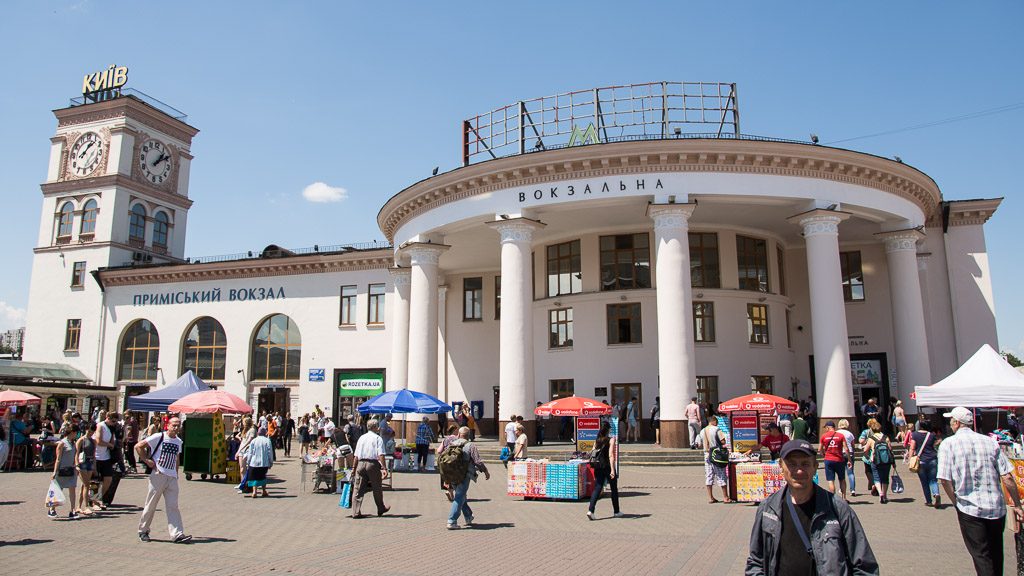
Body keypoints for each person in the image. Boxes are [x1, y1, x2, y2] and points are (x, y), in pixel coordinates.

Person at [746, 439, 879, 575]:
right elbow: (756, 562)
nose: (799, 471)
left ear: (815, 466)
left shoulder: (837, 508)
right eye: (792, 464)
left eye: (805, 464)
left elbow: (865, 566)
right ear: (781, 466)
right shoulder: (768, 508)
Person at [938, 406, 1024, 575]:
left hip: (969, 507)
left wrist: (955, 501)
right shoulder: (990, 441)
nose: (950, 424)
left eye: (951, 421)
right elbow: (1007, 476)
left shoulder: (948, 444)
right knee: (996, 552)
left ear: (956, 423)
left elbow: (944, 479)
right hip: (996, 507)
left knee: (981, 555)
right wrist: (1017, 506)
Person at [135, 416, 191, 543]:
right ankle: (143, 530)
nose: (176, 428)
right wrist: (147, 460)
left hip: (171, 478)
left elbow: (176, 458)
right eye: (174, 425)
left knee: (173, 506)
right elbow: (139, 446)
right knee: (151, 504)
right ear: (168, 425)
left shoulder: (178, 441)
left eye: (178, 425)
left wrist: (176, 474)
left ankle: (177, 534)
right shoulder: (159, 437)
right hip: (158, 475)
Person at [446, 426, 490, 530]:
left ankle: (468, 516)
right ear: (469, 435)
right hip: (464, 474)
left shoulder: (451, 444)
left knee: (461, 496)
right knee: (459, 496)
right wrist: (486, 471)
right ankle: (451, 521)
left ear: (458, 434)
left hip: (452, 473)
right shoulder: (471, 446)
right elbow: (477, 461)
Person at [351, 418, 390, 518]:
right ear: (375, 427)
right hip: (372, 464)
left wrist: (353, 468)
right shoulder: (377, 438)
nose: (379, 428)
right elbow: (381, 454)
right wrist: (384, 468)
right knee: (377, 487)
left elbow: (356, 455)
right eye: (377, 426)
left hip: (361, 463)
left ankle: (355, 511)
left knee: (358, 488)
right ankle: (380, 508)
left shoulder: (362, 438)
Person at [587, 421, 621, 520]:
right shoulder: (611, 440)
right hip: (607, 466)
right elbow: (611, 455)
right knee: (614, 489)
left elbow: (592, 452)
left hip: (598, 466)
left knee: (597, 488)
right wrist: (612, 470)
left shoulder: (597, 440)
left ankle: (590, 510)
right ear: (608, 430)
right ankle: (616, 511)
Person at [695, 416, 730, 503]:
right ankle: (725, 497)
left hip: (707, 455)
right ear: (714, 421)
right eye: (717, 422)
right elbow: (723, 441)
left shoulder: (702, 431)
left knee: (709, 476)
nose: (717, 424)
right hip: (716, 455)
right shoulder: (716, 429)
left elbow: (698, 444)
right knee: (721, 475)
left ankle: (710, 497)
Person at [909, 419, 942, 507]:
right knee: (933, 480)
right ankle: (936, 493)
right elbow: (936, 444)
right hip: (932, 459)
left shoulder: (915, 434)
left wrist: (910, 458)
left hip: (921, 461)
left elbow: (912, 447)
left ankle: (929, 501)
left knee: (924, 482)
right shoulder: (931, 435)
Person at [50, 424, 79, 519]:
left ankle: (72, 510)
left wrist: (76, 465)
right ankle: (52, 509)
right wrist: (55, 471)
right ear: (72, 433)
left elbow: (75, 455)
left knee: (72, 489)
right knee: (58, 489)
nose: (76, 435)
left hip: (71, 469)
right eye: (76, 433)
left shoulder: (73, 443)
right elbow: (58, 459)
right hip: (62, 469)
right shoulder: (62, 443)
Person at [863, 419, 894, 504]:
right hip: (886, 461)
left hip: (875, 460)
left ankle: (880, 493)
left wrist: (869, 457)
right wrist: (893, 462)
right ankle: (884, 495)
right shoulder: (886, 437)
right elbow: (890, 450)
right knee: (885, 478)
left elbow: (865, 450)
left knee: (876, 477)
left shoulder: (871, 439)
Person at [819, 420, 851, 499]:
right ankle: (844, 498)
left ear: (827, 427)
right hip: (839, 459)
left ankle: (833, 498)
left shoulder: (824, 436)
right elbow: (846, 448)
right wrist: (849, 459)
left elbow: (819, 449)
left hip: (828, 459)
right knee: (842, 479)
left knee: (830, 480)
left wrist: (824, 454)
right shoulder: (840, 436)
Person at [93, 411, 118, 510]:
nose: (113, 423)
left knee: (108, 479)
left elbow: (112, 440)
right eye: (112, 421)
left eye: (115, 421)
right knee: (95, 481)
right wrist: (110, 445)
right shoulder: (100, 425)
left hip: (106, 457)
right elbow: (98, 441)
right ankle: (94, 501)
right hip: (97, 456)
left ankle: (99, 498)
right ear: (107, 418)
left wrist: (112, 444)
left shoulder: (112, 428)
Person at [75, 420, 99, 514]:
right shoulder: (81, 440)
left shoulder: (93, 441)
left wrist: (95, 467)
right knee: (86, 484)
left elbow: (94, 455)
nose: (90, 433)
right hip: (82, 463)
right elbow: (76, 454)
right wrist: (77, 465)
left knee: (84, 485)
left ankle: (78, 506)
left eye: (92, 431)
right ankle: (86, 506)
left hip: (90, 462)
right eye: (88, 431)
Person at [244, 427, 274, 498]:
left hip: (254, 462)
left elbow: (250, 452)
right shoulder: (267, 440)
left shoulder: (254, 441)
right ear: (265, 433)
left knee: (254, 477)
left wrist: (248, 461)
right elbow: (270, 452)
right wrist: (271, 462)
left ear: (258, 433)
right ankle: (263, 491)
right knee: (263, 476)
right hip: (264, 462)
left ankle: (255, 491)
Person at [436, 424, 460, 502]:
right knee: (455, 477)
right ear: (455, 430)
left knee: (448, 477)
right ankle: (452, 493)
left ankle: (450, 493)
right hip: (454, 460)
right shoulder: (457, 439)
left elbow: (439, 451)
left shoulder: (445, 439)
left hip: (445, 460)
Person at [836, 419, 858, 496]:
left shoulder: (836, 433)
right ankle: (852, 490)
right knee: (850, 472)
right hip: (849, 453)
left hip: (839, 453)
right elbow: (853, 445)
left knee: (841, 473)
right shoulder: (850, 434)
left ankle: (841, 488)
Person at [235, 417, 256, 493]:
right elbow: (242, 442)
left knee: (246, 469)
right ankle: (242, 484)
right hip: (242, 451)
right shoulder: (244, 431)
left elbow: (250, 441)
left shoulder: (252, 430)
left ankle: (245, 486)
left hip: (248, 451)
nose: (242, 424)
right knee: (241, 469)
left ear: (247, 423)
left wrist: (241, 449)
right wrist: (238, 451)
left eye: (243, 422)